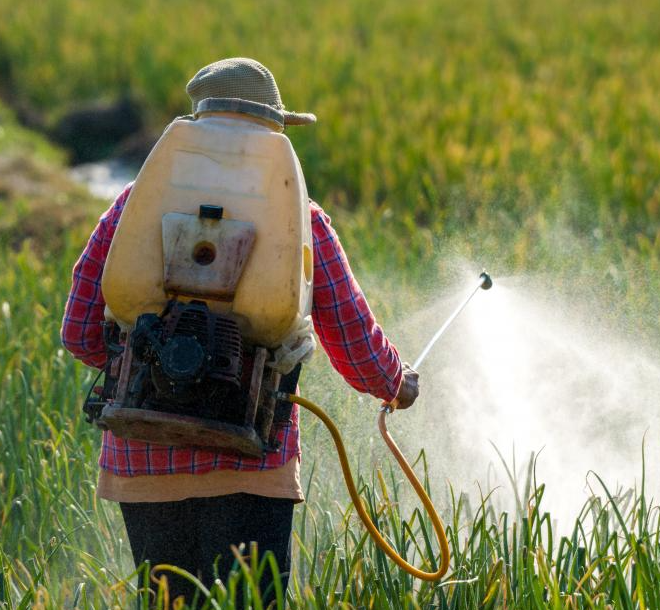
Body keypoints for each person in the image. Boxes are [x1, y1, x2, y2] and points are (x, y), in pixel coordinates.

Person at [60, 57, 420, 605]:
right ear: (274, 132)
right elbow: (353, 338)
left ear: (198, 126)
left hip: (142, 465)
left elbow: (79, 333)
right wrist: (396, 385)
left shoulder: (132, 208)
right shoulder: (303, 220)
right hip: (252, 465)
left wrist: (153, 355)